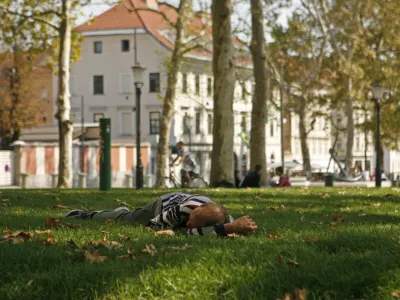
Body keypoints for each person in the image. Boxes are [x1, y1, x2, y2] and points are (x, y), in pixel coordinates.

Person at [65, 192, 258, 237]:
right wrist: (225, 230)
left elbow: (220, 230)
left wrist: (229, 228)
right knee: (125, 219)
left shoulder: (224, 217)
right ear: (193, 212)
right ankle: (85, 215)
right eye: (189, 222)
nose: (188, 225)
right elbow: (152, 226)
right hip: (162, 206)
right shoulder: (181, 211)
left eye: (193, 225)